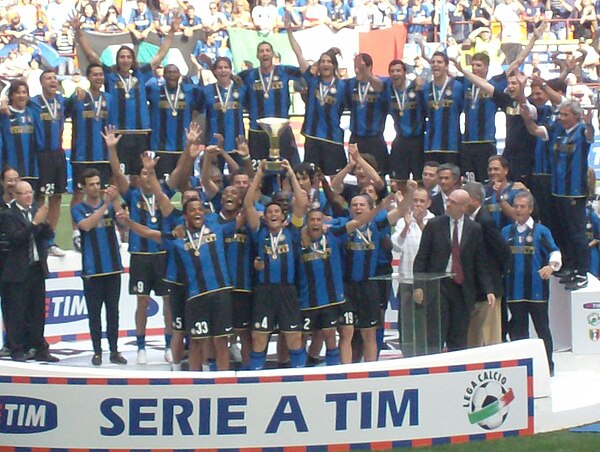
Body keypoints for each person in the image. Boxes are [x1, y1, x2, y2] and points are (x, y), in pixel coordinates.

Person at [118, 196, 234, 372]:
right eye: (193, 210)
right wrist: (128, 222)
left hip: (221, 292)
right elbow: (149, 233)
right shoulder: (176, 237)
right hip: (196, 297)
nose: (197, 212)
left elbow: (243, 215)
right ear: (185, 216)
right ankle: (195, 382)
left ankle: (224, 382)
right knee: (196, 342)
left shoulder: (216, 228)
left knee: (221, 341)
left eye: (200, 209)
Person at [71, 13, 180, 176]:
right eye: (122, 56)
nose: (125, 59)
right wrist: (79, 34)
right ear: (117, 59)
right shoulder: (109, 75)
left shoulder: (141, 73)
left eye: (128, 56)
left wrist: (171, 32)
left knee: (139, 175)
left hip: (141, 132)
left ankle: (136, 202)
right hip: (118, 133)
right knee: (118, 176)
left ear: (133, 59)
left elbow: (160, 56)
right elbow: (92, 56)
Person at [522, 98, 592, 290]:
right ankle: (568, 266)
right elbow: (536, 131)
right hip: (557, 190)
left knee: (577, 233)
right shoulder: (558, 132)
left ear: (576, 116)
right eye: (560, 114)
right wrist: (528, 119)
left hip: (574, 193)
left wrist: (589, 122)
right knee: (563, 232)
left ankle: (583, 271)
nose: (561, 118)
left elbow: (591, 135)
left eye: (565, 115)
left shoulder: (582, 132)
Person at [413, 189, 495, 352]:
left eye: (453, 202)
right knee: (435, 334)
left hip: (462, 288)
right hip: (438, 286)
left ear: (464, 207)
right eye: (448, 200)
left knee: (458, 336)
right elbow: (421, 258)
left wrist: (488, 289)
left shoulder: (474, 229)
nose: (448, 204)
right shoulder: (434, 225)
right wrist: (418, 286)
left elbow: (479, 263)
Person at [244, 159, 307, 370]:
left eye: (277, 212)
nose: (273, 214)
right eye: (269, 212)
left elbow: (301, 203)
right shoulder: (258, 231)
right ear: (264, 216)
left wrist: (290, 174)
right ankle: (255, 378)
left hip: (287, 290)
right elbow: (247, 205)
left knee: (294, 337)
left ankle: (299, 378)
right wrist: (259, 174)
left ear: (283, 216)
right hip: (263, 291)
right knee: (259, 338)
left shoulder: (292, 231)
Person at [71, 170, 127, 366]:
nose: (95, 187)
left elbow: (122, 221)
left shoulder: (110, 205)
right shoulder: (78, 208)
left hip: (112, 268)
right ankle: (97, 351)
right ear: (84, 187)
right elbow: (86, 226)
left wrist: (116, 199)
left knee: (113, 312)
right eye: (91, 184)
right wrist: (105, 204)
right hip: (92, 270)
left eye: (97, 183)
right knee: (94, 313)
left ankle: (114, 350)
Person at [502, 191, 561, 374]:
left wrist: (551, 266)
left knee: (542, 328)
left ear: (530, 209)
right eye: (516, 206)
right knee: (518, 331)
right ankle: (522, 367)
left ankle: (547, 366)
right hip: (513, 291)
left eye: (522, 206)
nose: (518, 210)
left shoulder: (541, 231)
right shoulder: (506, 232)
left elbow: (554, 251)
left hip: (537, 291)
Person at [0, 181, 58, 362]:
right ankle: (17, 349)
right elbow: (16, 239)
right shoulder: (8, 215)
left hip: (36, 268)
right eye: (23, 193)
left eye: (30, 192)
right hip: (18, 271)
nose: (28, 196)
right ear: (16, 195)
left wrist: (44, 223)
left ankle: (40, 347)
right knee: (17, 312)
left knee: (38, 311)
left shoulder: (36, 211)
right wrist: (34, 223)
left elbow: (48, 236)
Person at [66, 63, 115, 252]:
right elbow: (62, 113)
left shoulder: (109, 98)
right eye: (94, 74)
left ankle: (105, 229)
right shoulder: (78, 96)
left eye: (101, 74)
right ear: (88, 77)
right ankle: (76, 232)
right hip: (81, 155)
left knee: (103, 191)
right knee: (78, 193)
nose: (99, 77)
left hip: (102, 155)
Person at [288, 29, 348, 175]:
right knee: (310, 178)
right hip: (312, 137)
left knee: (335, 181)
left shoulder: (343, 86)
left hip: (333, 139)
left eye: (329, 61)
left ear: (334, 65)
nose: (325, 64)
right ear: (318, 65)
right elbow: (299, 55)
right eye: (322, 61)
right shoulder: (312, 80)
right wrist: (289, 32)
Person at [238, 41, 301, 165]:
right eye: (261, 51)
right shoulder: (247, 75)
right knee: (259, 172)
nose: (264, 53)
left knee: (288, 169)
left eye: (267, 50)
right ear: (257, 55)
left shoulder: (285, 71)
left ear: (273, 54)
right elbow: (228, 79)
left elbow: (307, 71)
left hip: (282, 132)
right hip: (257, 132)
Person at [464, 182, 511, 347]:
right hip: (477, 284)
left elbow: (502, 249)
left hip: (489, 284)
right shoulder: (471, 219)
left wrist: (497, 273)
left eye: (465, 198)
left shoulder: (484, 220)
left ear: (476, 200)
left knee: (490, 334)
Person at [30, 68, 67, 257]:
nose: (52, 81)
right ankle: (38, 239)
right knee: (39, 198)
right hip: (41, 156)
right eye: (48, 78)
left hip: (58, 155)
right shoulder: (33, 102)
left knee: (57, 197)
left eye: (54, 78)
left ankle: (50, 240)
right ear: (41, 82)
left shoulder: (62, 101)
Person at [146, 64, 203, 180]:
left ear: (179, 75)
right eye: (168, 72)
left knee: (185, 183)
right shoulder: (153, 90)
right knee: (164, 183)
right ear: (164, 75)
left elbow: (198, 109)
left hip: (183, 147)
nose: (172, 75)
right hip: (161, 148)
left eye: (174, 72)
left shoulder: (191, 91)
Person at [346, 53, 388, 175]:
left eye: (360, 67)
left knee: (378, 174)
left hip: (375, 139)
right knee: (355, 174)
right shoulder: (350, 84)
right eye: (355, 67)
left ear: (370, 67)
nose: (357, 70)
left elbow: (381, 87)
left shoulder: (381, 82)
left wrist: (367, 75)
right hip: (355, 138)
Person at [386, 59, 426, 183]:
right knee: (399, 181)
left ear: (404, 72)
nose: (395, 74)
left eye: (398, 70)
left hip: (418, 141)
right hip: (400, 140)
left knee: (420, 181)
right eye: (392, 71)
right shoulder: (388, 89)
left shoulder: (417, 87)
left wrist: (422, 82)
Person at [422, 52, 464, 166]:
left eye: (439, 62)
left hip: (452, 145)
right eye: (433, 62)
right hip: (430, 146)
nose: (435, 64)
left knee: (451, 180)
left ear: (446, 66)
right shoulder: (425, 88)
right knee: (430, 180)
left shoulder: (458, 86)